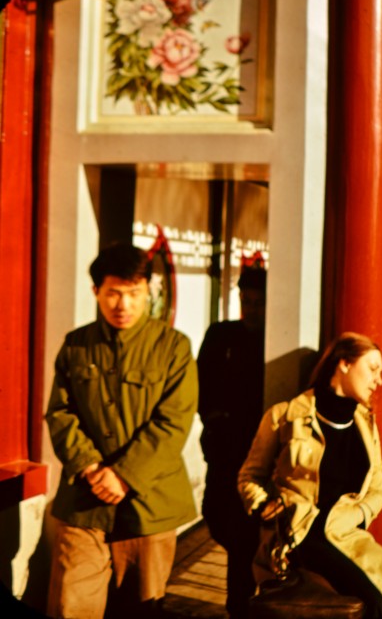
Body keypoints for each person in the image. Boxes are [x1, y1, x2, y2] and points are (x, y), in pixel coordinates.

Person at [45, 243, 198, 619]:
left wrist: (125, 475)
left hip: (150, 507)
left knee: (142, 609)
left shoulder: (173, 347)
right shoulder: (76, 346)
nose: (123, 305)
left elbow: (173, 421)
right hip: (84, 505)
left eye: (134, 293)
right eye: (113, 293)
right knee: (71, 604)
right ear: (96, 291)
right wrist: (90, 466)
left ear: (149, 291)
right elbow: (61, 413)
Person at [238, 332, 382, 618]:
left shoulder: (366, 425)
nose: (379, 380)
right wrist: (263, 505)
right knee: (377, 602)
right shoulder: (285, 416)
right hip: (300, 535)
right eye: (373, 368)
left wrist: (357, 515)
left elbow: (378, 490)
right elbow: (249, 477)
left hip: (347, 533)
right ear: (344, 364)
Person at [197, 264, 266, 618]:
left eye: (258, 302)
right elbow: (200, 383)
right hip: (223, 449)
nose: (251, 309)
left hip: (259, 451)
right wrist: (212, 419)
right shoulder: (221, 334)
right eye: (246, 301)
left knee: (243, 535)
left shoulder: (274, 340)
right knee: (215, 515)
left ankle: (240, 605)